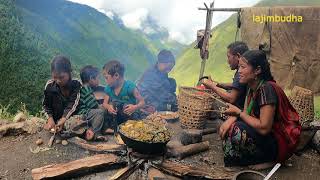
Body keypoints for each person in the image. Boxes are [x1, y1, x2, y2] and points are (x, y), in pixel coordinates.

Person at [220, 50, 301, 167]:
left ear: (257, 70)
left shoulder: (266, 89)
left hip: (278, 142)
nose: (239, 72)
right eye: (239, 67)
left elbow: (264, 128)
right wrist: (233, 117)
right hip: (264, 137)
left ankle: (270, 160)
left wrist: (237, 114)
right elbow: (246, 112)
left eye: (243, 67)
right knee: (228, 122)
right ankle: (245, 158)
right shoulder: (251, 87)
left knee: (235, 130)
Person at [202, 41, 248, 108]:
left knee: (208, 103)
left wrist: (212, 86)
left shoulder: (240, 73)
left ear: (238, 56)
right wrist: (218, 84)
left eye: (228, 57)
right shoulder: (241, 72)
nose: (228, 61)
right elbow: (236, 85)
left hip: (237, 109)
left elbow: (231, 98)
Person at [65, 65, 106, 141]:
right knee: (100, 112)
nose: (99, 81)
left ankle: (92, 130)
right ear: (91, 78)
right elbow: (93, 105)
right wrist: (104, 106)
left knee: (100, 112)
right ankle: (95, 133)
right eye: (98, 78)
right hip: (83, 114)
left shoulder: (85, 88)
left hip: (87, 113)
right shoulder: (85, 89)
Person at [42, 56, 81, 132]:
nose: (58, 81)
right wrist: (50, 118)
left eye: (61, 77)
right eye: (55, 77)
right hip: (56, 120)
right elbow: (46, 105)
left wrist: (64, 118)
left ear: (69, 73)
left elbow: (73, 104)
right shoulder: (50, 86)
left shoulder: (76, 84)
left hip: (71, 118)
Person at [102, 60, 145, 128]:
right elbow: (104, 103)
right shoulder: (109, 88)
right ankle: (113, 128)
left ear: (116, 75)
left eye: (106, 77)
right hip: (116, 115)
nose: (105, 80)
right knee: (105, 111)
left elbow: (142, 102)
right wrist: (108, 107)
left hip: (129, 115)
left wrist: (134, 107)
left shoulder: (130, 87)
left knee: (136, 116)